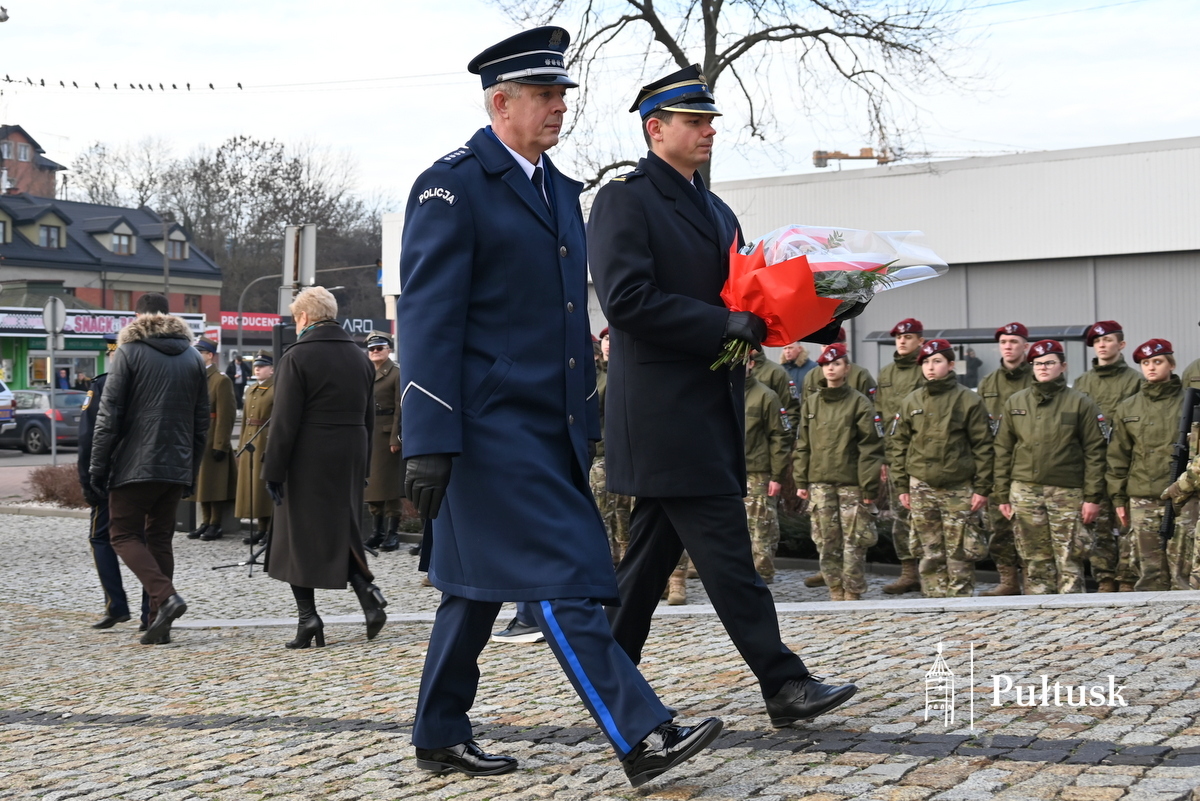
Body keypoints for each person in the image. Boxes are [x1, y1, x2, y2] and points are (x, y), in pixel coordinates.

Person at [398, 31, 721, 786]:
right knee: (562, 579)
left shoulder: (559, 190)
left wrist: (585, 413)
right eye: (544, 95)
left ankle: (439, 731)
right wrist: (429, 435)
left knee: (475, 586)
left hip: (548, 425)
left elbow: (570, 318)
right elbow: (429, 319)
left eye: (562, 95)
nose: (559, 108)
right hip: (486, 428)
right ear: (500, 103)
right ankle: (641, 734)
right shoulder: (451, 187)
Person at [588, 63, 857, 730]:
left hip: (707, 408)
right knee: (730, 557)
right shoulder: (624, 200)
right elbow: (627, 300)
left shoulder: (717, 210)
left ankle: (606, 680)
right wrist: (720, 324)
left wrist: (823, 316)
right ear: (655, 129)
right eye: (695, 120)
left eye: (711, 120)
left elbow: (750, 304)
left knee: (646, 564)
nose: (709, 130)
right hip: (663, 414)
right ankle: (783, 682)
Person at [261, 287, 387, 649]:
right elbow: (369, 416)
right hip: (350, 454)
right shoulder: (359, 357)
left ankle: (308, 618)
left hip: (308, 455)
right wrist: (364, 464)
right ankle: (367, 594)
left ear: (303, 317)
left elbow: (284, 421)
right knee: (339, 529)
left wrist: (273, 470)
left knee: (293, 537)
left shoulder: (297, 356)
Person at [89, 292, 208, 645]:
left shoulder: (129, 352)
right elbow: (202, 423)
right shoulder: (193, 357)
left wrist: (97, 467)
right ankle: (158, 624)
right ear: (168, 316)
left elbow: (109, 415)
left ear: (137, 316)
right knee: (159, 539)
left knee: (122, 535)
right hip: (176, 465)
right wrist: (191, 471)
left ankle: (166, 598)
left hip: (134, 464)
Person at [994, 340, 1106, 594]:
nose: (1043, 368)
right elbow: (1002, 450)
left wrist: (1092, 497)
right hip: (1025, 490)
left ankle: (1072, 608)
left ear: (1063, 366)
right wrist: (1001, 493)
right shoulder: (1016, 402)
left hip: (1067, 491)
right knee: (1034, 557)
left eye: (1049, 363)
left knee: (1070, 556)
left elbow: (1095, 453)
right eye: (1037, 363)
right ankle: (1038, 605)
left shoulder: (1080, 403)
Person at [889, 339, 992, 598]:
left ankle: (960, 602)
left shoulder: (968, 400)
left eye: (937, 361)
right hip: (921, 485)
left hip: (958, 486)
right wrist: (901, 485)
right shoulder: (911, 401)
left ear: (951, 364)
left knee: (960, 549)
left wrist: (982, 487)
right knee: (929, 549)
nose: (930, 367)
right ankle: (933, 600)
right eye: (925, 362)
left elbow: (983, 446)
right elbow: (899, 445)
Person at [792, 342, 884, 601]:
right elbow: (804, 444)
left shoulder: (859, 403)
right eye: (825, 364)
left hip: (851, 483)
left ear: (847, 368)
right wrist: (801, 480)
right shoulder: (812, 403)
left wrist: (869, 486)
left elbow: (870, 447)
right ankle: (834, 588)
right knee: (825, 539)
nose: (830, 369)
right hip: (820, 482)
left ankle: (852, 590)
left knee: (855, 540)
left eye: (836, 364)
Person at [77, 332, 147, 630]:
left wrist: (87, 480)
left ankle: (116, 605)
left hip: (110, 475)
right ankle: (151, 611)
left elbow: (88, 438)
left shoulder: (102, 384)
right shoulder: (148, 383)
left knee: (101, 538)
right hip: (146, 472)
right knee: (145, 540)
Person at [1107, 338, 1183, 593]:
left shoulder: (1190, 402)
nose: (1151, 367)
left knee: (1184, 568)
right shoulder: (1129, 406)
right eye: (1145, 363)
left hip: (1184, 496)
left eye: (1157, 361)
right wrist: (1118, 498)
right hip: (1143, 496)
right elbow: (1118, 457)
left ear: (1171, 364)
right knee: (1149, 568)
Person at [1072, 321, 1141, 592]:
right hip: (1092, 463)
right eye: (1097, 341)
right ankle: (1104, 579)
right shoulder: (1082, 382)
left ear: (1121, 345)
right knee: (1099, 525)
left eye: (1108, 340)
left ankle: (1127, 579)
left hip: (1125, 463)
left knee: (1125, 523)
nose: (1102, 345)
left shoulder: (1135, 380)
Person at [977, 322, 1034, 596]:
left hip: (1028, 462)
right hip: (996, 463)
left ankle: (1031, 579)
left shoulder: (1036, 377)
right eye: (1003, 342)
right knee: (999, 526)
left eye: (1013, 342)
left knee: (1030, 526)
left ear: (1025, 346)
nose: (1008, 347)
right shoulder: (988, 383)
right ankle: (1008, 580)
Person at [875, 318, 926, 595]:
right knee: (901, 515)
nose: (902, 341)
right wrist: (883, 458)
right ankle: (908, 573)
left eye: (908, 337)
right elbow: (879, 417)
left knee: (926, 517)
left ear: (920, 340)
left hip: (922, 455)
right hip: (895, 455)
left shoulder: (926, 368)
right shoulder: (886, 373)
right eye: (898, 337)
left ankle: (930, 571)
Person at [744, 350, 791, 584]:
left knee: (762, 526)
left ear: (751, 364)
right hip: (728, 471)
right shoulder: (722, 392)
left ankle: (762, 575)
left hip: (758, 472)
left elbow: (779, 437)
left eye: (742, 361)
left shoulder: (766, 396)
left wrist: (777, 475)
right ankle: (739, 576)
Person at [589, 327, 635, 566]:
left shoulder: (616, 378)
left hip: (616, 454)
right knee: (605, 511)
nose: (608, 343)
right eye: (605, 339)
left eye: (611, 339)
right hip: (598, 454)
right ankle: (611, 560)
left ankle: (625, 558)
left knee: (621, 512)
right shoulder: (593, 380)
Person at [189, 337, 237, 541]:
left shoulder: (221, 380)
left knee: (214, 483)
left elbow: (226, 415)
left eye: (200, 352)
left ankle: (215, 523)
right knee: (201, 483)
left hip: (211, 439)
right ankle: (205, 521)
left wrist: (221, 444)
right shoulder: (195, 377)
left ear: (209, 355)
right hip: (198, 438)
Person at [362, 332, 405, 552]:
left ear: (389, 349)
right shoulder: (366, 372)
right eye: (372, 349)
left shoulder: (396, 373)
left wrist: (395, 437)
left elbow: (400, 408)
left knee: (390, 487)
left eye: (379, 348)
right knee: (372, 486)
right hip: (369, 434)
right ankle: (376, 532)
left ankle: (392, 534)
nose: (375, 351)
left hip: (387, 435)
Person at [235, 351, 275, 546]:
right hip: (251, 440)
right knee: (252, 486)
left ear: (272, 369)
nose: (257, 369)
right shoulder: (251, 389)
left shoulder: (276, 389)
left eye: (262, 366)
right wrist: (241, 444)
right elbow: (245, 419)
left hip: (265, 439)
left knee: (263, 486)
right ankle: (261, 528)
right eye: (256, 366)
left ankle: (270, 529)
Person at [801, 327, 876, 400]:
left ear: (845, 346)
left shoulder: (860, 375)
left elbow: (869, 404)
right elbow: (805, 405)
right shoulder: (811, 376)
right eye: (824, 346)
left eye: (833, 347)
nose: (828, 351)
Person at [749, 343, 801, 432]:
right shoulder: (733, 372)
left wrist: (787, 437)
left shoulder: (776, 372)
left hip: (769, 436)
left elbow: (791, 410)